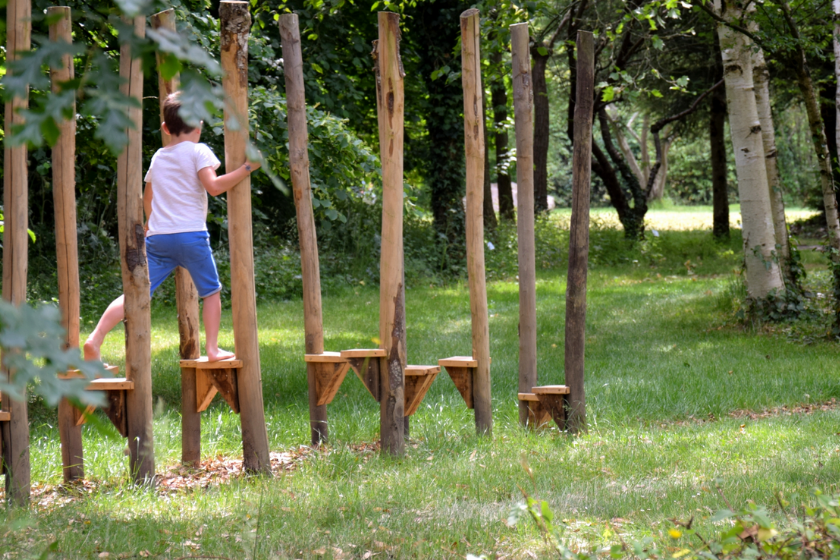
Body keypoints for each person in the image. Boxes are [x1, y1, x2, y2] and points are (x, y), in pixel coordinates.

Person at [84, 91, 260, 363]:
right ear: (199, 124)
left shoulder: (159, 156)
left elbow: (148, 197)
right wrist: (247, 168)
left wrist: (152, 222)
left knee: (136, 292)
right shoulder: (199, 151)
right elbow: (213, 187)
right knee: (211, 292)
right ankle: (213, 349)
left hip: (159, 238)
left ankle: (95, 339)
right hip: (191, 236)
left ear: (166, 128)